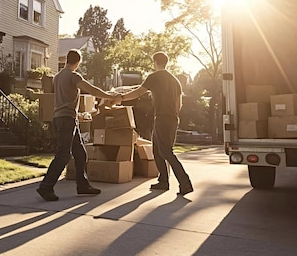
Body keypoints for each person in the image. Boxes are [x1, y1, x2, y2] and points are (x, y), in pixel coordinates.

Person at [37, 49, 121, 202]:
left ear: (67, 59)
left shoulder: (58, 77)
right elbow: (91, 89)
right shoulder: (73, 76)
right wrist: (110, 96)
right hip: (66, 119)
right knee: (63, 155)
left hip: (64, 118)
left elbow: (64, 98)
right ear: (78, 62)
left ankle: (82, 185)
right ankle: (46, 186)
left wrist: (79, 115)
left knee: (80, 153)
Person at [117, 51, 193, 196]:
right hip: (172, 118)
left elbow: (138, 92)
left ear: (155, 62)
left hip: (162, 118)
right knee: (157, 150)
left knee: (165, 151)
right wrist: (174, 115)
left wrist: (120, 98)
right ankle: (163, 181)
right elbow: (179, 103)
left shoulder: (154, 77)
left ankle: (185, 183)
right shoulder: (175, 80)